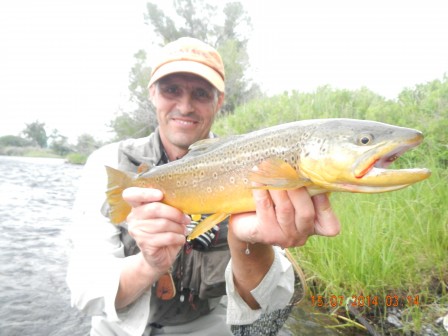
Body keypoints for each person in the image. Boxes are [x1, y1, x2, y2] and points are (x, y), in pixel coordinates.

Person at [67, 37, 340, 336]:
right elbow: (85, 292)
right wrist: (149, 264)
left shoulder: (258, 163)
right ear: (153, 94)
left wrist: (251, 243)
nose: (185, 106)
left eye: (200, 93)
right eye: (172, 90)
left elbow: (267, 306)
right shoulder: (110, 163)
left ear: (219, 100)